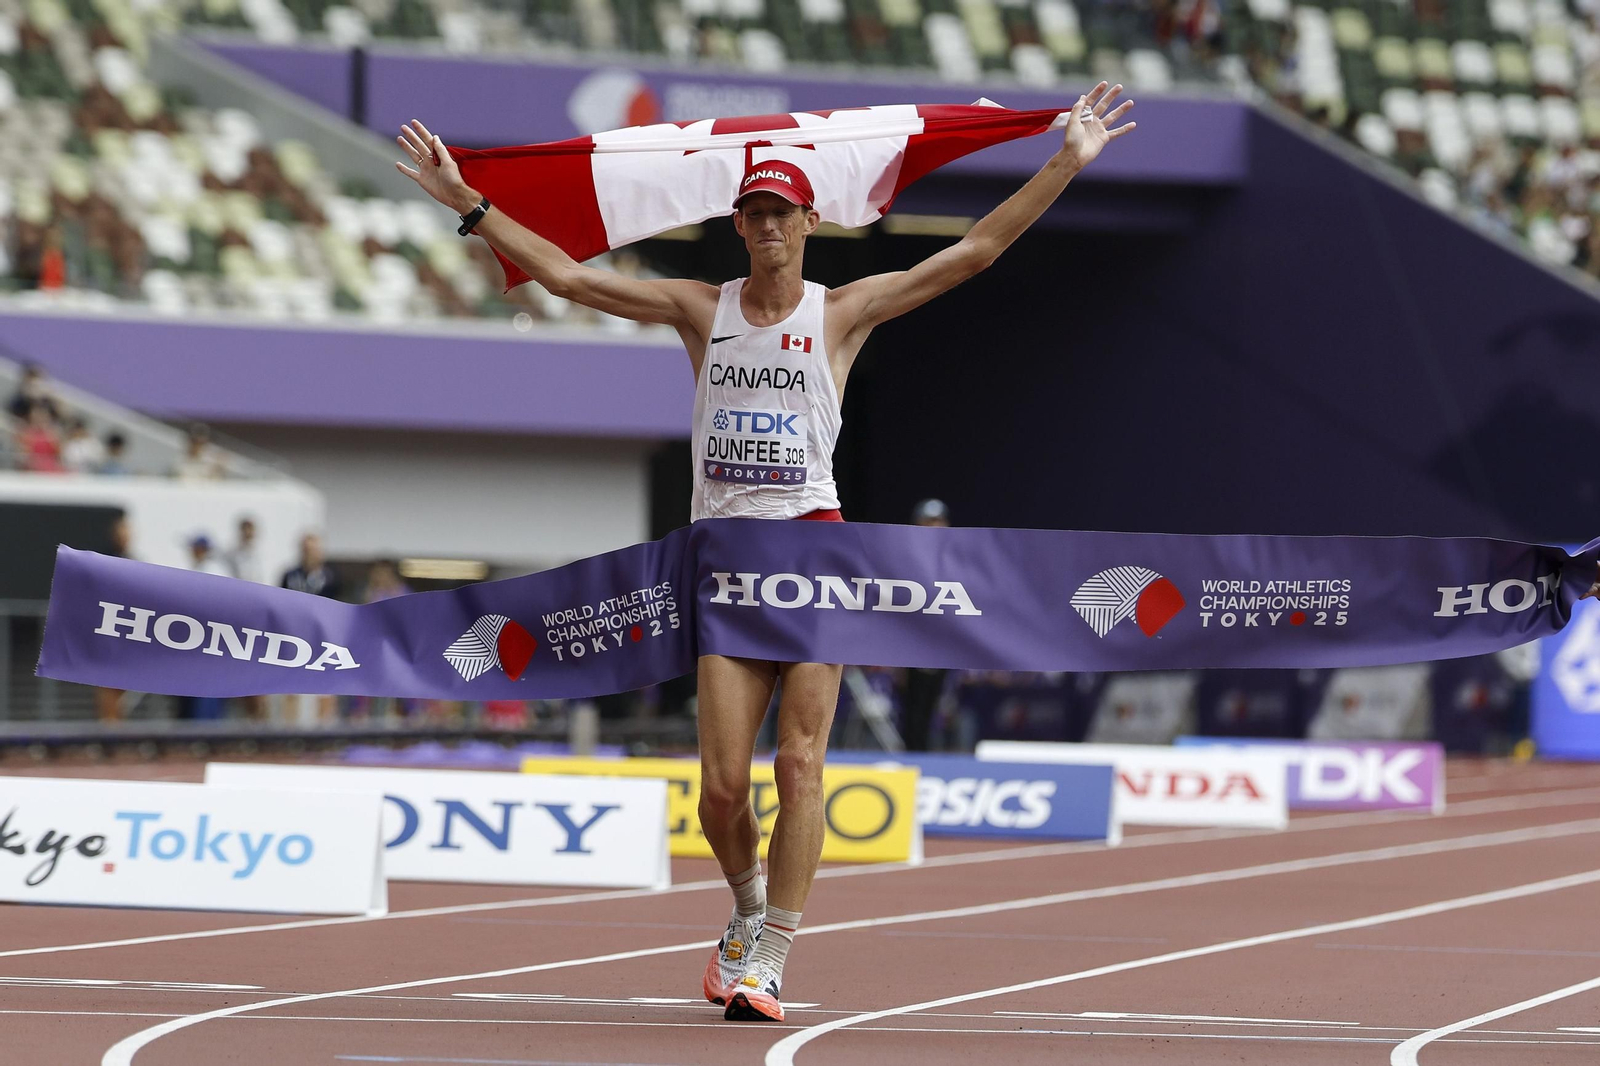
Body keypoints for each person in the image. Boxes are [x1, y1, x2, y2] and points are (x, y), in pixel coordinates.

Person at [394, 83, 1136, 1022]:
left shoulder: (840, 312)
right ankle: (745, 910)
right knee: (716, 791)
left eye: (782, 211)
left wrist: (1065, 159)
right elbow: (571, 278)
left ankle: (774, 950)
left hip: (812, 551)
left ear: (809, 220)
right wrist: (469, 204)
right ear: (739, 226)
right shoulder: (700, 308)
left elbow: (974, 252)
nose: (769, 226)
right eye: (755, 213)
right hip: (726, 558)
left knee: (801, 763)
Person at [900, 499, 953, 750]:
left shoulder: (953, 558)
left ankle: (935, 759)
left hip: (944, 640)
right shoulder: (906, 555)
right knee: (913, 703)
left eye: (938, 521)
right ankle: (913, 755)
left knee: (941, 704)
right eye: (929, 522)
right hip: (913, 640)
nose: (934, 527)